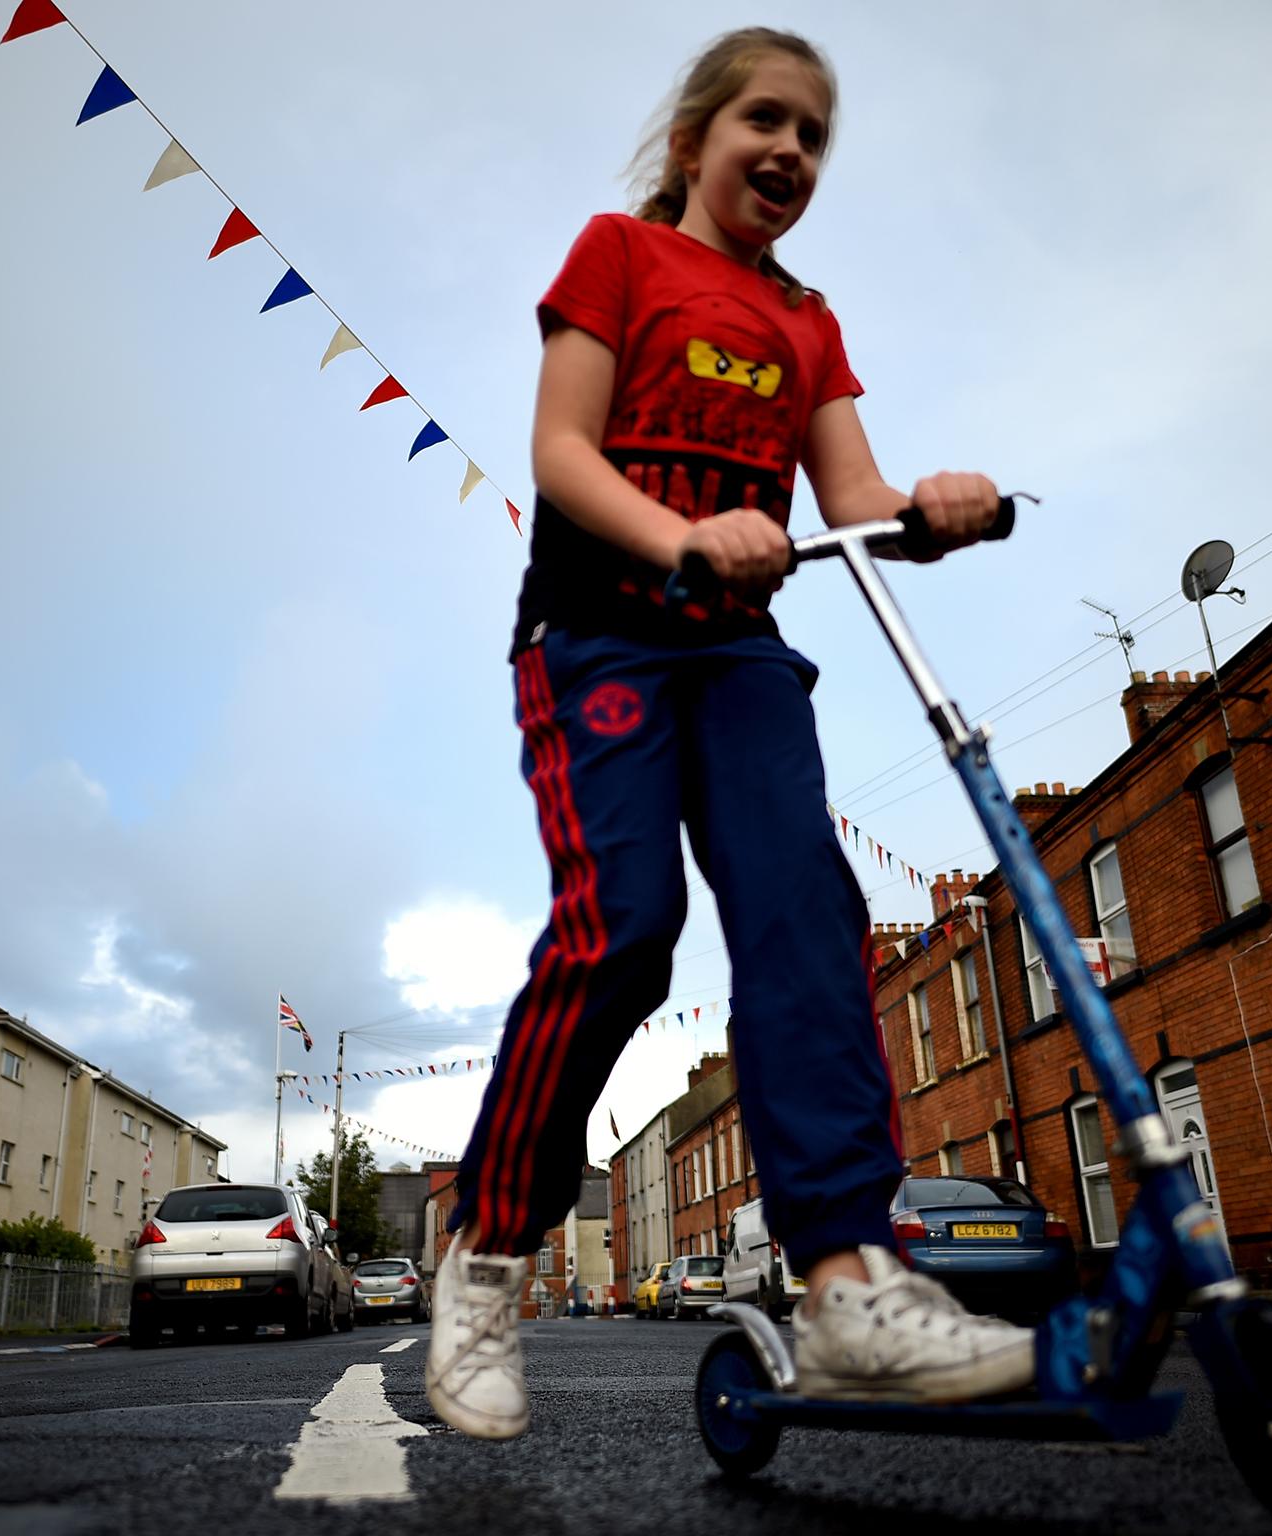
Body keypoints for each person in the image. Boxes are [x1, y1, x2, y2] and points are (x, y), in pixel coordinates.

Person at [426, 27, 1036, 1441]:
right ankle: (488, 1259)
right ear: (697, 139)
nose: (791, 153)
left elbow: (855, 494)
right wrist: (686, 536)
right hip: (598, 637)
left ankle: (846, 1279)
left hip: (743, 655)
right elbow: (561, 456)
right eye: (767, 121)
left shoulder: (807, 320)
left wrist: (931, 509)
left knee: (805, 920)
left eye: (816, 137)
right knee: (625, 928)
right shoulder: (618, 258)